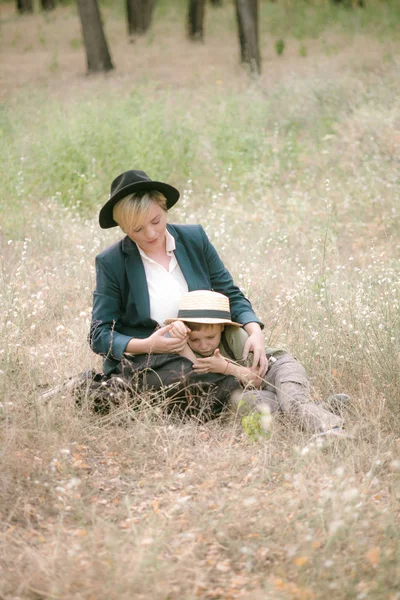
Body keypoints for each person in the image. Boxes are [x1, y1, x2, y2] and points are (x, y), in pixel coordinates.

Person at [89, 169, 267, 419]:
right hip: (154, 362)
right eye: (137, 229)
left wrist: (255, 332)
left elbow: (231, 294)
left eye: (156, 221)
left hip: (210, 344)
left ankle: (281, 400)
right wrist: (147, 345)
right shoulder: (112, 262)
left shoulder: (194, 238)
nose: (151, 234)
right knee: (185, 377)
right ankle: (250, 397)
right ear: (123, 227)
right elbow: (99, 334)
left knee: (272, 361)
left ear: (164, 208)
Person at [166, 290, 347, 436]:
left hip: (277, 369)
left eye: (210, 337)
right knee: (251, 405)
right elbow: (197, 369)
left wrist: (226, 368)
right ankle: (322, 408)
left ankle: (332, 429)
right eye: (195, 340)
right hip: (256, 391)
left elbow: (259, 380)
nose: (203, 345)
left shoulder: (235, 337)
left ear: (222, 327)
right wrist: (180, 339)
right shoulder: (190, 347)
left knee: (291, 402)